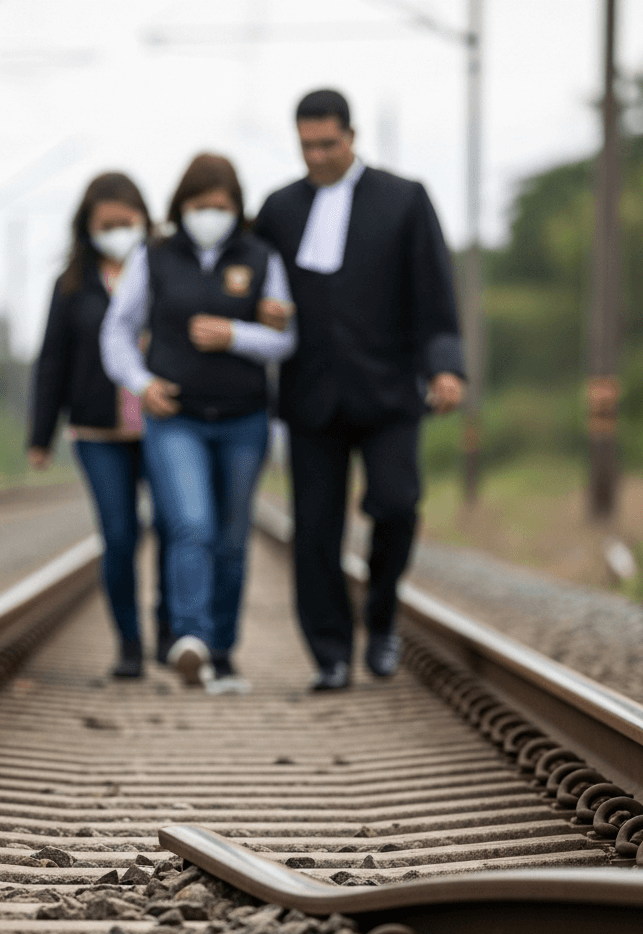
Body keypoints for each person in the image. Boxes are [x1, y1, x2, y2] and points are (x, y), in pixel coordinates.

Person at [255, 88, 465, 692]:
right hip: (311, 395)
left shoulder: (404, 200)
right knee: (314, 530)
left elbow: (435, 297)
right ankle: (330, 654)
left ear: (352, 136)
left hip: (390, 391)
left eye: (328, 143)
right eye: (306, 146)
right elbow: (248, 284)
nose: (317, 156)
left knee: (397, 504)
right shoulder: (279, 208)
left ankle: (380, 619)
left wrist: (445, 367)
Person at [101, 153, 295, 691]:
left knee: (232, 538)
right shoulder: (154, 256)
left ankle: (223, 650)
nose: (209, 214)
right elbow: (117, 331)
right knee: (191, 524)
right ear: (181, 206)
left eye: (220, 206)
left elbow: (287, 337)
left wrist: (235, 335)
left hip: (244, 419)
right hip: (176, 417)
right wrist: (142, 384)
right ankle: (190, 639)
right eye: (199, 205)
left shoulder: (261, 258)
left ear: (237, 208)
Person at [28, 171, 170, 679]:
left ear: (144, 220)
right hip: (97, 431)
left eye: (125, 222)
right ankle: (129, 644)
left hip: (163, 425)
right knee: (119, 536)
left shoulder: (168, 271)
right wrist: (39, 436)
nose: (117, 231)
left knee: (176, 528)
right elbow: (52, 362)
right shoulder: (70, 286)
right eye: (106, 223)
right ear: (87, 227)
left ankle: (169, 630)